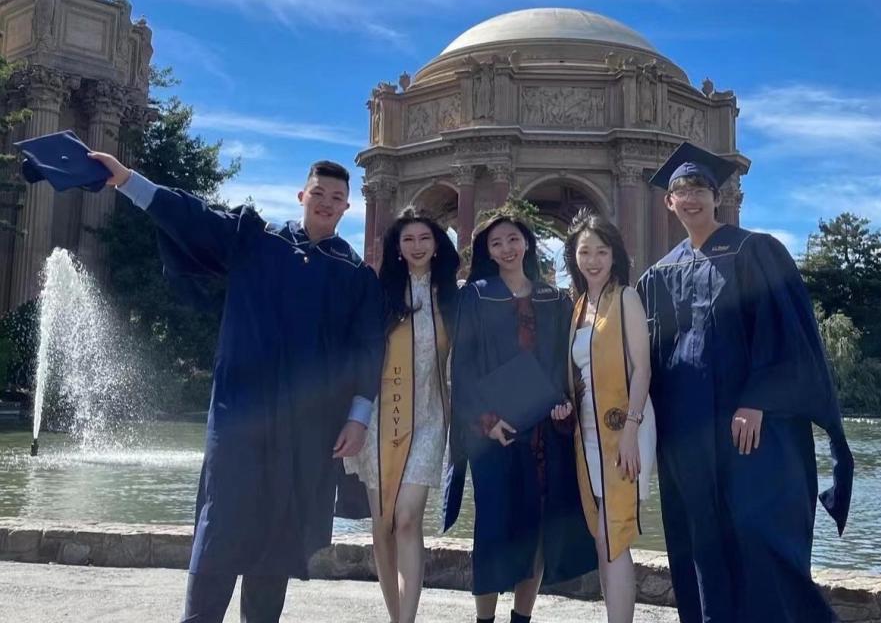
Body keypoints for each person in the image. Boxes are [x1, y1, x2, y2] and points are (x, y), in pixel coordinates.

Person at [89, 151, 385, 623]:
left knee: (281, 531)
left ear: (348, 208)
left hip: (308, 424)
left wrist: (358, 416)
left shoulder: (355, 276)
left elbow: (367, 349)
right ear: (302, 195)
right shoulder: (256, 242)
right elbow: (194, 216)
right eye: (320, 193)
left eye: (337, 198)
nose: (327, 203)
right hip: (239, 414)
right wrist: (127, 180)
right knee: (222, 522)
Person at [637, 142, 854, 623]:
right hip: (687, 436)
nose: (690, 197)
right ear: (667, 203)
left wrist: (757, 399)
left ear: (717, 197)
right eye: (680, 190)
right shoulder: (657, 275)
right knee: (700, 539)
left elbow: (789, 336)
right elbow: (644, 358)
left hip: (751, 431)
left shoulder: (756, 251)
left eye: (699, 188)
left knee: (760, 533)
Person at [444, 214, 596, 623]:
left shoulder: (553, 298)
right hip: (493, 433)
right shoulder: (475, 296)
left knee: (537, 532)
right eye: (497, 243)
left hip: (543, 431)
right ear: (487, 251)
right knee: (493, 530)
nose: (507, 248)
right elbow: (464, 368)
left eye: (514, 239)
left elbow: (564, 366)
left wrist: (565, 403)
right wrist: (486, 420)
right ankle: (485, 620)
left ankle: (521, 618)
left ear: (527, 244)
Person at [344, 207, 459, 623]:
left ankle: (407, 619)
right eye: (408, 239)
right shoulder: (379, 292)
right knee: (383, 524)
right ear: (397, 247)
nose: (416, 246)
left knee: (408, 517)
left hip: (429, 416)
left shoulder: (450, 294)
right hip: (380, 419)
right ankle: (395, 616)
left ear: (437, 243)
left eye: (425, 238)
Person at [552, 210, 657, 623]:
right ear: (573, 257)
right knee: (602, 536)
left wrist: (631, 430)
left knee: (615, 535)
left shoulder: (625, 298)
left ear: (614, 255)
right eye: (584, 251)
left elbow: (642, 369)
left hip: (626, 426)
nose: (593, 259)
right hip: (588, 432)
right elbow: (580, 376)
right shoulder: (579, 307)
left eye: (601, 250)